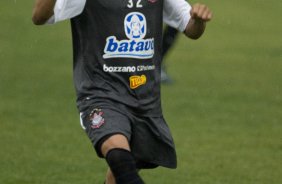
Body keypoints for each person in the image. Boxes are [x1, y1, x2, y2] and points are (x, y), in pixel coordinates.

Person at [32, 0, 212, 183]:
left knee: (122, 171)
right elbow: (40, 17)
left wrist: (198, 20)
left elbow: (190, 28)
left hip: (145, 97)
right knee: (119, 158)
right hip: (100, 92)